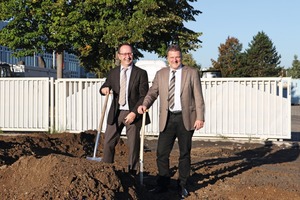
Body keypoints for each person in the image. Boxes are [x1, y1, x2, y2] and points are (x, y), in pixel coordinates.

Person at [137, 44, 205, 198]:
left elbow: (198, 96)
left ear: (181, 57)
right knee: (161, 153)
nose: (175, 60)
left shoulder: (191, 72)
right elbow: (152, 92)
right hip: (167, 118)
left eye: (178, 57)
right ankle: (162, 184)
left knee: (184, 153)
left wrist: (200, 117)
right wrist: (144, 104)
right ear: (167, 59)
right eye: (172, 57)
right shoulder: (161, 74)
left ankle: (182, 186)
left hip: (186, 118)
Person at [100, 43, 150, 174]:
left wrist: (134, 113)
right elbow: (106, 85)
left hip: (132, 112)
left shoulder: (141, 73)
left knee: (133, 144)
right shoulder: (113, 72)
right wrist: (103, 89)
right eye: (124, 54)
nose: (127, 56)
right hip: (116, 112)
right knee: (108, 142)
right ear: (119, 56)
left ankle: (132, 172)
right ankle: (107, 171)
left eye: (130, 54)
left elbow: (144, 95)